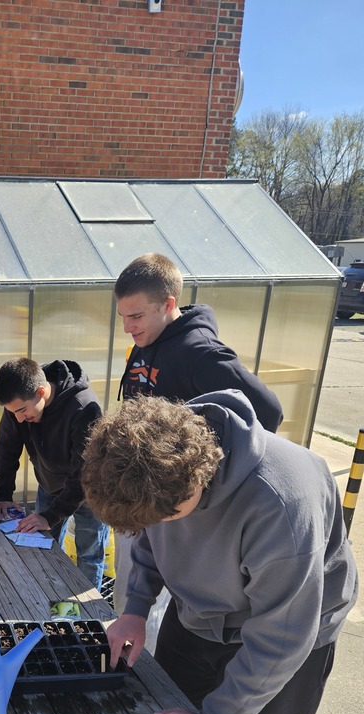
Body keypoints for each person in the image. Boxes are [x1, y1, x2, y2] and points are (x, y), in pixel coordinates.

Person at [81, 390, 358, 714]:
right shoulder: (154, 474)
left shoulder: (281, 499)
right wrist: (136, 608)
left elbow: (282, 636)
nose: (160, 528)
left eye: (169, 517)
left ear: (199, 479)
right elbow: (147, 537)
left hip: (291, 634)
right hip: (200, 613)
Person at [111, 252, 284, 640]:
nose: (127, 327)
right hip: (144, 495)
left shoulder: (199, 353)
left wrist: (212, 478)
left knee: (161, 604)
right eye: (122, 316)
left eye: (135, 316)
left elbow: (268, 412)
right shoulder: (146, 341)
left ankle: (151, 668)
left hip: (179, 506)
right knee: (131, 593)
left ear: (168, 305)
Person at [0, 357, 109, 591]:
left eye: (22, 411)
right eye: (13, 412)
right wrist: (3, 494)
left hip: (90, 493)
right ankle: (51, 594)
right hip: (49, 485)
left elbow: (84, 472)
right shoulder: (18, 405)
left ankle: (89, 612)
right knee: (42, 545)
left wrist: (51, 515)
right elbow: (6, 447)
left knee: (89, 553)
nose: (19, 419)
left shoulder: (84, 408)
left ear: (41, 391)